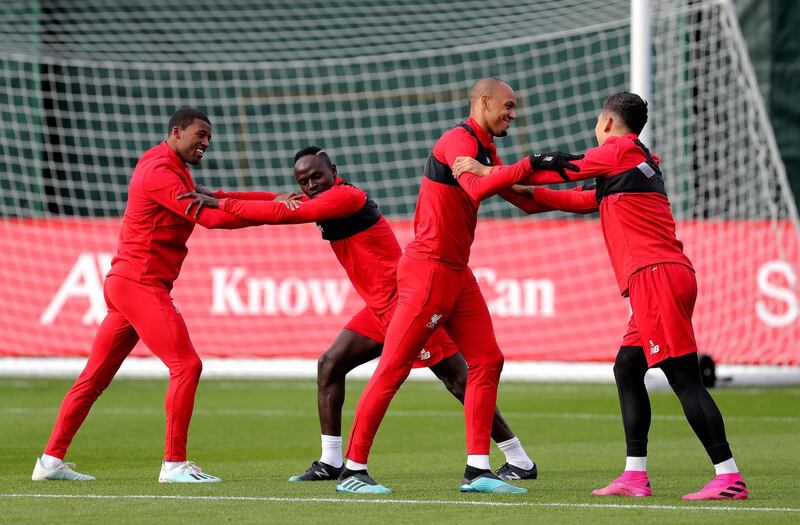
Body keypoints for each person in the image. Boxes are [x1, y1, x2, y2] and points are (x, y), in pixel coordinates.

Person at [179, 146, 539, 484]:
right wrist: (213, 193)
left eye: (315, 177)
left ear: (332, 170)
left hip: (406, 304)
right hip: (378, 308)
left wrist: (220, 201)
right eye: (303, 182)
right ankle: (331, 461)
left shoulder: (345, 197)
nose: (310, 185)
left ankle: (519, 460)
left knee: (459, 381)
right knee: (330, 365)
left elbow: (283, 213)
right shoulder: (323, 197)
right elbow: (272, 202)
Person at [453, 92, 748, 501]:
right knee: (628, 369)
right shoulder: (636, 160)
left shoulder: (618, 150)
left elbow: (557, 167)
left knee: (683, 378)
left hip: (655, 277)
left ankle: (728, 475)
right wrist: (508, 187)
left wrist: (488, 172)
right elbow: (573, 200)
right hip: (663, 276)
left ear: (606, 123)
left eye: (597, 123)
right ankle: (634, 476)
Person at [333, 78, 580, 494]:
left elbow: (526, 198)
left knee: (488, 359)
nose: (513, 115)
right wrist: (528, 162)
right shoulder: (456, 141)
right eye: (508, 106)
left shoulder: (486, 152)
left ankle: (478, 470)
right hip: (428, 272)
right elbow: (479, 185)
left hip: (457, 273)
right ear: (483, 102)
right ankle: (352, 470)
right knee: (393, 368)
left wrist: (596, 197)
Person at [32, 108, 257, 483]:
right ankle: (174, 464)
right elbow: (214, 216)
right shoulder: (159, 172)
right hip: (140, 283)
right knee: (187, 365)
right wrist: (286, 214)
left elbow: (221, 197)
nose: (206, 143)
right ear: (176, 131)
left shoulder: (173, 168)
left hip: (126, 283)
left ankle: (49, 462)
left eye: (209, 138)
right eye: (200, 135)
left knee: (93, 379)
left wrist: (280, 202)